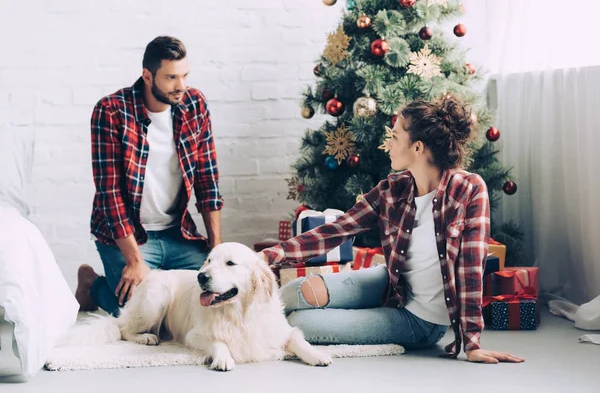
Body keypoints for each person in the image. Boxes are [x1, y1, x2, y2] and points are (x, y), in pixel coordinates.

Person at [260, 95, 525, 364]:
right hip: (391, 286)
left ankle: (253, 333)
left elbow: (471, 271)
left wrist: (472, 344)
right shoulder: (393, 188)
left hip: (422, 321)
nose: (388, 144)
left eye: (395, 136)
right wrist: (268, 257)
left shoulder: (469, 189)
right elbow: (338, 230)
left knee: (302, 323)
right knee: (294, 291)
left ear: (418, 147)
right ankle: (237, 323)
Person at [75, 36, 224, 316]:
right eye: (170, 78)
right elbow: (110, 194)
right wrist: (134, 261)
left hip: (176, 233)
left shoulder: (195, 105)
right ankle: (91, 283)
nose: (181, 86)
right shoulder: (110, 111)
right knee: (137, 313)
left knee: (208, 300)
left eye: (184, 76)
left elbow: (208, 179)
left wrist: (216, 251)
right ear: (147, 76)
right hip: (129, 236)